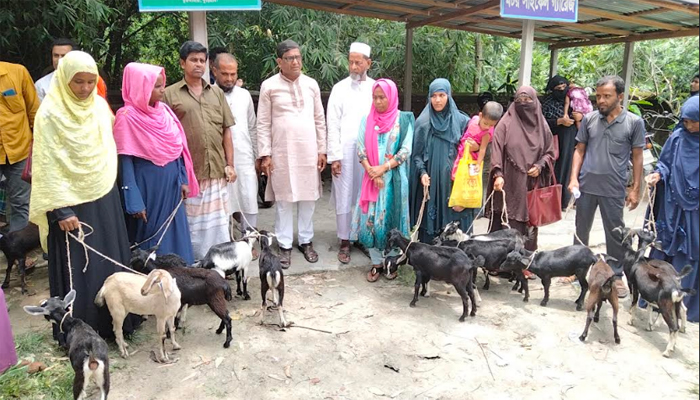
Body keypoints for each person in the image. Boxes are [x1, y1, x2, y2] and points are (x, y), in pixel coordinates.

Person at [29, 51, 140, 343]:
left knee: (110, 260)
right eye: (79, 82)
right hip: (69, 204)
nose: (85, 88)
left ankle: (116, 323)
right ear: (65, 79)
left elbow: (107, 152)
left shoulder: (101, 108)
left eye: (91, 82)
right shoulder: (50, 113)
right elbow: (46, 164)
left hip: (103, 196)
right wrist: (60, 210)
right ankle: (81, 332)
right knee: (80, 266)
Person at [113, 62, 199, 264]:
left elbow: (177, 150)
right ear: (139, 88)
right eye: (157, 86)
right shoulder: (126, 118)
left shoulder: (165, 112)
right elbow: (125, 163)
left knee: (175, 229)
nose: (163, 90)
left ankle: (180, 275)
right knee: (151, 232)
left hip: (171, 184)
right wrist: (134, 200)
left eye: (163, 85)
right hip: (146, 187)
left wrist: (183, 179)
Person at [569, 75, 646, 298]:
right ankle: (577, 270)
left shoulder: (633, 122)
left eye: (606, 96)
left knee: (615, 232)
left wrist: (635, 188)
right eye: (598, 96)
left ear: (620, 97)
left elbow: (638, 156)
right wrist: (574, 178)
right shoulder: (589, 119)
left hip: (614, 187)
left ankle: (616, 275)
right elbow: (579, 150)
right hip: (586, 185)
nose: (600, 101)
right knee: (580, 228)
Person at [163, 41, 236, 261]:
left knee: (219, 223)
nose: (198, 64)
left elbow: (226, 131)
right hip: (189, 173)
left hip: (216, 171)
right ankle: (195, 266)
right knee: (192, 225)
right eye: (193, 60)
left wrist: (230, 164)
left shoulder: (216, 93)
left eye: (202, 60)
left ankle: (220, 263)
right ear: (182, 63)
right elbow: (167, 137)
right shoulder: (169, 95)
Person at [257, 40, 327, 268]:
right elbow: (263, 123)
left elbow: (319, 119)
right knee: (284, 199)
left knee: (308, 197)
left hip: (308, 151)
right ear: (279, 62)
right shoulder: (269, 86)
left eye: (298, 57)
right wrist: (265, 154)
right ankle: (285, 245)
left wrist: (322, 150)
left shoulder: (311, 85)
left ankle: (306, 241)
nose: (296, 62)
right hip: (282, 152)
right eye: (290, 58)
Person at [350, 79, 414, 282]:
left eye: (382, 97)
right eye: (375, 97)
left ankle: (392, 262)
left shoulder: (404, 121)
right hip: (371, 180)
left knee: (392, 219)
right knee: (372, 222)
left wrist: (383, 169)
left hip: (393, 181)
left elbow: (405, 150)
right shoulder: (366, 120)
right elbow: (360, 149)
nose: (377, 101)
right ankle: (376, 263)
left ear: (392, 97)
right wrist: (371, 171)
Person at [645, 96, 699, 323]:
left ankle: (685, 303)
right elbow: (665, 163)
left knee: (691, 249)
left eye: (693, 121)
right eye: (685, 121)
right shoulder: (676, 138)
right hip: (672, 205)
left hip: (695, 210)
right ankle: (657, 297)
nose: (688, 126)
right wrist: (658, 174)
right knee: (665, 244)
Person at [487, 86, 556, 257]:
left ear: (535, 102)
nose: (523, 104)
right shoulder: (506, 123)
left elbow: (550, 152)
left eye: (527, 100)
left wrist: (540, 165)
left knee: (528, 221)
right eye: (519, 100)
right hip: (508, 181)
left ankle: (526, 260)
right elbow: (496, 149)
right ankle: (502, 262)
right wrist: (497, 174)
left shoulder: (543, 126)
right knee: (506, 219)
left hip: (531, 183)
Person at [327, 42, 375, 264]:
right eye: (351, 61)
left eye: (358, 62)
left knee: (365, 193)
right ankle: (345, 240)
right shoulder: (339, 88)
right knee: (344, 194)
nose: (354, 66)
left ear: (368, 63)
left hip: (369, 151)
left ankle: (362, 237)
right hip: (345, 151)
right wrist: (334, 156)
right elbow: (332, 123)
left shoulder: (376, 88)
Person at [411, 78, 470, 242]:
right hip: (431, 184)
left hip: (454, 183)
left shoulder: (462, 122)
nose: (437, 100)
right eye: (434, 96)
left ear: (449, 96)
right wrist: (422, 172)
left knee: (455, 223)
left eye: (442, 95)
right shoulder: (423, 123)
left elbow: (471, 155)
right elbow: (416, 154)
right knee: (431, 225)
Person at [213, 54, 260, 234]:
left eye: (233, 74)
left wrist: (257, 156)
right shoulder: (207, 93)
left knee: (248, 197)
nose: (230, 78)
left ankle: (249, 238)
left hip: (245, 155)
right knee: (222, 201)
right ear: (214, 71)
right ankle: (226, 239)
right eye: (225, 74)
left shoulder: (244, 95)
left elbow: (252, 126)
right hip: (219, 158)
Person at [0, 61, 38, 233]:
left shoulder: (17, 72)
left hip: (20, 149)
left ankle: (19, 253)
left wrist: (38, 143)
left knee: (20, 203)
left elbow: (34, 111)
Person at [450, 101, 503, 212]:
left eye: (491, 125)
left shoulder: (487, 133)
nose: (487, 127)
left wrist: (478, 164)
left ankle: (462, 203)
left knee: (467, 179)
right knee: (457, 176)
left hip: (472, 157)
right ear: (480, 116)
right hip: (462, 153)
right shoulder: (473, 121)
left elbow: (483, 149)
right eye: (485, 123)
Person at [542, 75, 581, 209]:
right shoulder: (548, 103)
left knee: (573, 168)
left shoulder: (575, 100)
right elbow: (542, 123)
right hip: (555, 144)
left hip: (574, 142)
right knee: (557, 170)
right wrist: (559, 122)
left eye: (565, 87)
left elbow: (586, 114)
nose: (562, 90)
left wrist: (579, 117)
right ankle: (557, 201)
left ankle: (570, 200)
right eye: (558, 88)